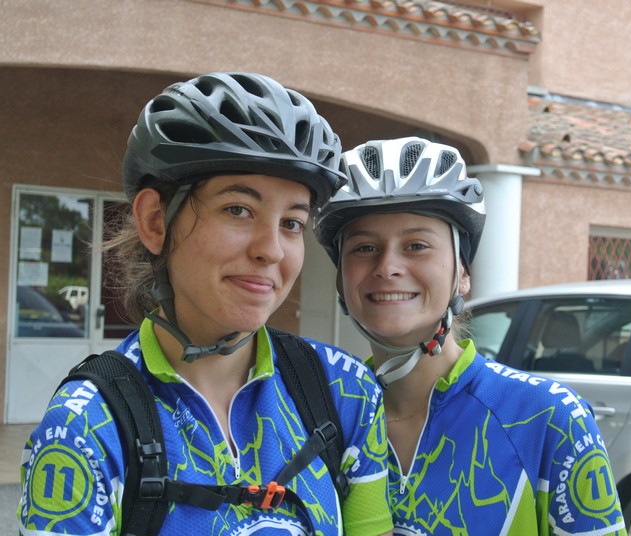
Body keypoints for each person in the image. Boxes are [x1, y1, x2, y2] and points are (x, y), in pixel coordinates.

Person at [17, 72, 393, 536]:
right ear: (156, 222)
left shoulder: (347, 392)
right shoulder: (86, 427)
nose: (271, 250)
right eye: (239, 210)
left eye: (292, 223)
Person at [314, 136, 627, 535]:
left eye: (416, 245)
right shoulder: (318, 412)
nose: (387, 266)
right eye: (364, 248)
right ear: (341, 280)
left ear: (462, 274)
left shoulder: (548, 417)